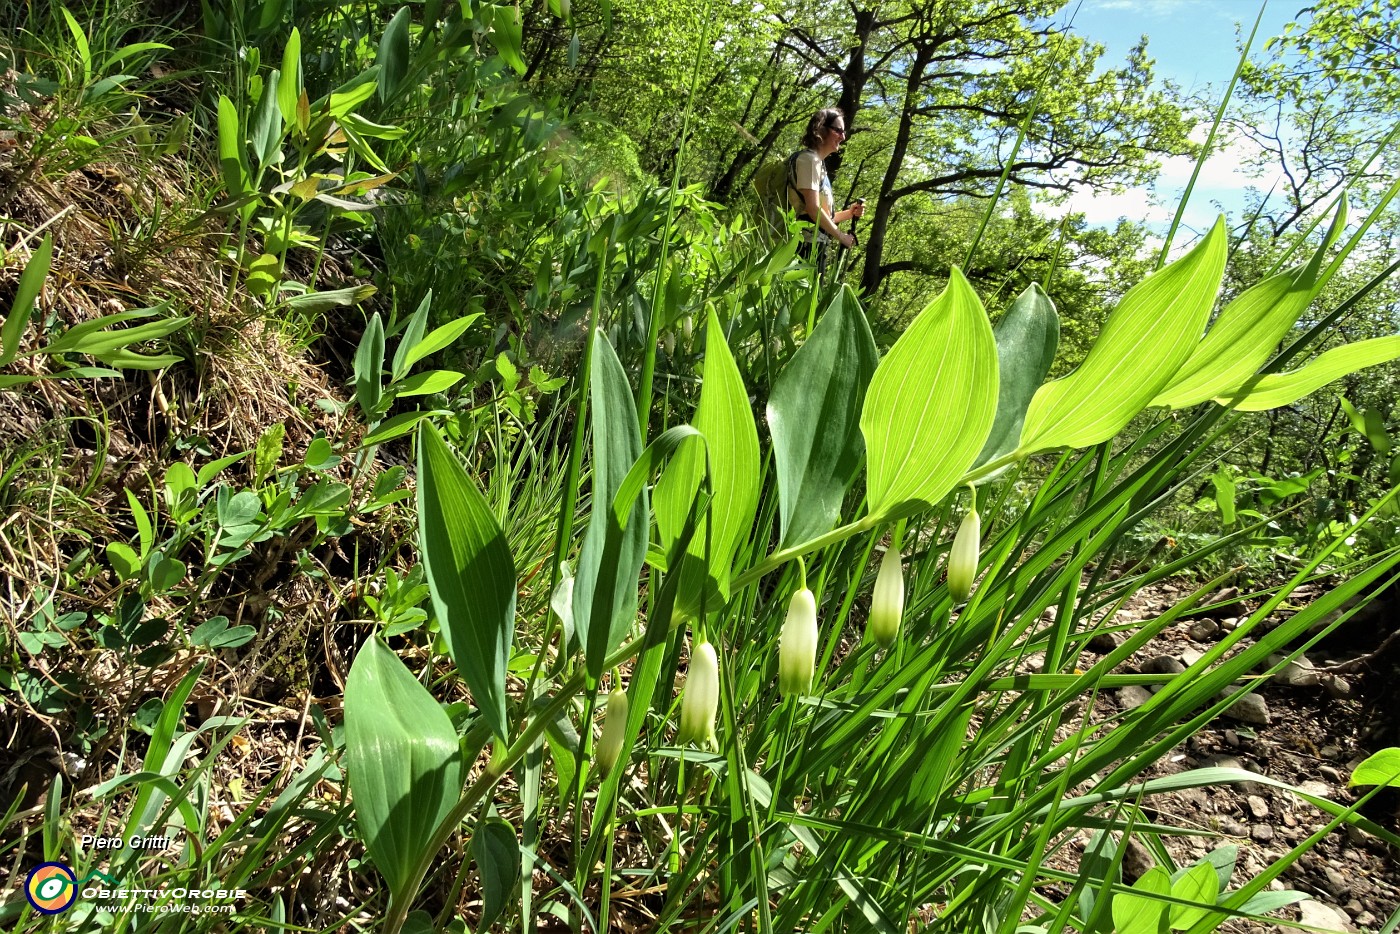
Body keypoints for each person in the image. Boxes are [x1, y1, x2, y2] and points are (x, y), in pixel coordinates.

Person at [789, 107, 865, 273]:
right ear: (821, 129)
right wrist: (842, 237)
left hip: (813, 245)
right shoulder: (809, 160)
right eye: (838, 130)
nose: (843, 136)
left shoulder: (817, 163)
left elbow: (820, 217)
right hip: (804, 247)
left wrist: (849, 213)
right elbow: (812, 210)